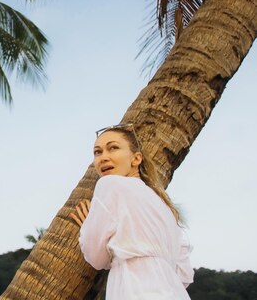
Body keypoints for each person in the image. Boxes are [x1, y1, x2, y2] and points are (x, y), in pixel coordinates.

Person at [69, 123, 194, 299]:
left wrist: (88, 227)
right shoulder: (167, 209)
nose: (103, 157)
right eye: (98, 152)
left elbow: (96, 258)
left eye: (113, 148)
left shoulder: (110, 185)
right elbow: (185, 275)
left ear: (136, 159)